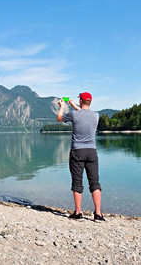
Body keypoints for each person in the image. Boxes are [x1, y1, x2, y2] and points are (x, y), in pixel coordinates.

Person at [57, 92, 105, 222]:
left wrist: (62, 106)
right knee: (94, 183)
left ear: (81, 101)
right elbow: (84, 114)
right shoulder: (96, 115)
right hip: (92, 152)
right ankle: (98, 214)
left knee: (77, 182)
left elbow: (59, 118)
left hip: (77, 152)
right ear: (90, 101)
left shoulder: (74, 114)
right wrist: (73, 105)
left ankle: (78, 213)